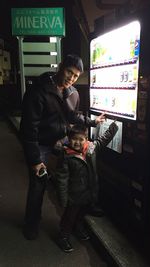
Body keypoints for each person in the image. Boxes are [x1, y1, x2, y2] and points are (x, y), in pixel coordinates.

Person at [20, 54, 105, 240]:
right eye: (69, 72)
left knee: (80, 170)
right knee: (38, 185)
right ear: (60, 66)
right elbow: (28, 129)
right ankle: (31, 223)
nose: (71, 78)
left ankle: (75, 219)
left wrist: (92, 121)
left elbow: (73, 116)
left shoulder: (71, 92)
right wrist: (35, 160)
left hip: (61, 141)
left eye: (75, 76)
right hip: (41, 145)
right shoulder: (39, 91)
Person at [52, 121, 118, 252]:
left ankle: (78, 228)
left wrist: (114, 127)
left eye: (80, 139)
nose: (77, 142)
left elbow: (103, 140)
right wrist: (63, 198)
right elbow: (62, 179)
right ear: (68, 140)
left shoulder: (91, 149)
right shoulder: (66, 156)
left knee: (82, 212)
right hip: (73, 195)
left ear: (86, 140)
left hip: (88, 192)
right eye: (74, 139)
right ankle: (63, 236)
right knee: (69, 217)